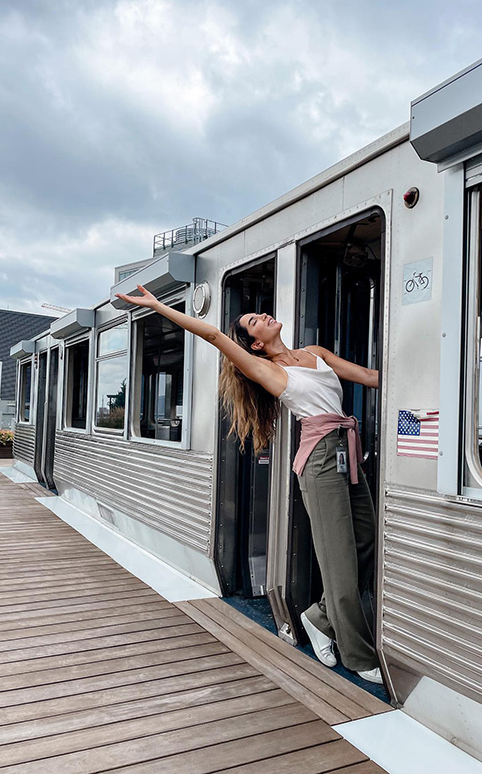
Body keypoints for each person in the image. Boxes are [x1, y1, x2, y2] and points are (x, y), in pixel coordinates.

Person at [115, 284, 382, 683]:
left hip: (348, 447)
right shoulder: (267, 370)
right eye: (254, 321)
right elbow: (213, 335)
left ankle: (318, 617)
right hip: (321, 459)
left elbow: (369, 377)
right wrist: (158, 306)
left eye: (260, 314)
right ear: (255, 345)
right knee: (338, 559)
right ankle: (358, 657)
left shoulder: (316, 353)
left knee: (366, 540)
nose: (264, 317)